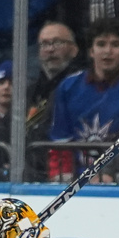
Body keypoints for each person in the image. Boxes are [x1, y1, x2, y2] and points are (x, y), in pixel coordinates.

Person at [48, 17, 119, 183]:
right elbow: (60, 141)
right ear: (91, 51)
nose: (108, 51)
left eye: (115, 45)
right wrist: (61, 177)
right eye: (101, 44)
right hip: (74, 179)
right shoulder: (68, 87)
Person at [24, 21, 82, 182]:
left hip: (68, 176)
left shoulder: (81, 88)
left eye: (57, 42)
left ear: (74, 49)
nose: (50, 49)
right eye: (45, 44)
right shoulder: (29, 92)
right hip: (31, 173)